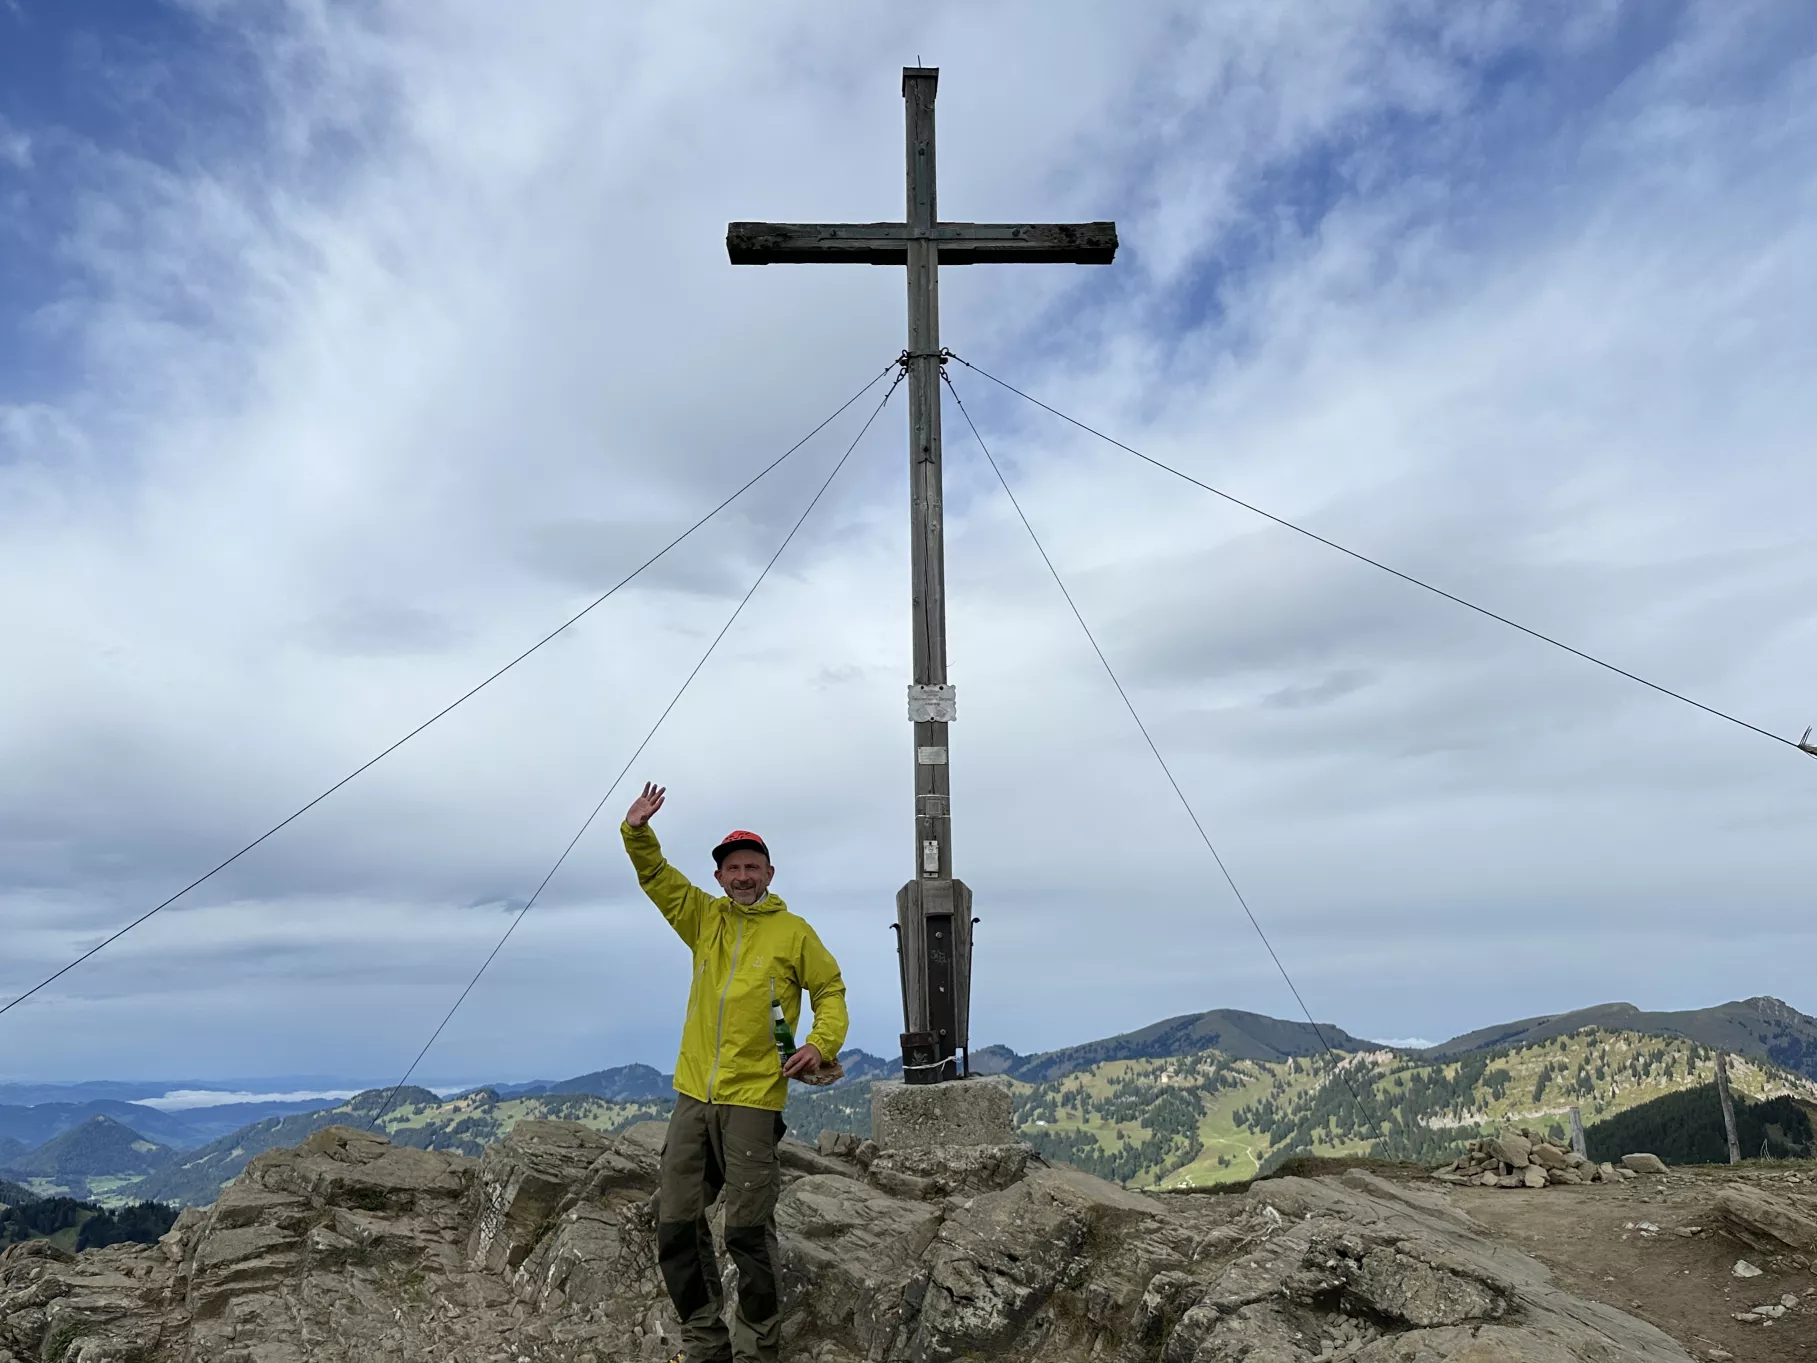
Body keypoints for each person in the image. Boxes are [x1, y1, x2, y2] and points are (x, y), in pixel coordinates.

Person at [622, 781, 848, 1363]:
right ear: (720, 877)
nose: (742, 875)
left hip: (754, 1097)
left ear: (770, 873)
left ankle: (757, 1349)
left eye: (752, 866)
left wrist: (821, 1045)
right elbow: (657, 879)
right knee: (674, 1220)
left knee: (747, 1232)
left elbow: (829, 990)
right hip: (693, 1093)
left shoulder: (793, 932)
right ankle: (704, 1339)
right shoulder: (703, 919)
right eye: (732, 868)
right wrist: (637, 832)